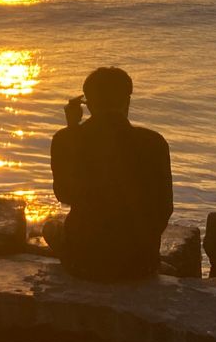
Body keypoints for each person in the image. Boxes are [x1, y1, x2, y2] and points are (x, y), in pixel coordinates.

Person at [43, 68, 173, 282]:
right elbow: (164, 207)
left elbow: (64, 194)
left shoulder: (65, 139)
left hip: (83, 263)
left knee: (50, 227)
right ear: (126, 101)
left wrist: (72, 128)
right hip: (140, 265)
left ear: (89, 104)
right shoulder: (154, 142)